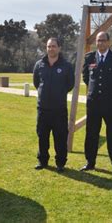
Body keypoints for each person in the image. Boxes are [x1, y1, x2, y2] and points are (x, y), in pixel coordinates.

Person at [80, 31, 112, 174]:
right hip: (93, 103)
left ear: (108, 42)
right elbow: (86, 77)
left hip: (110, 103)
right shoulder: (89, 58)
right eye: (98, 40)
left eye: (103, 40)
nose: (100, 43)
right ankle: (90, 162)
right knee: (91, 133)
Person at [33, 38, 74, 172]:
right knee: (42, 136)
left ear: (59, 48)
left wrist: (59, 93)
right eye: (49, 46)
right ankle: (42, 161)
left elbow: (70, 84)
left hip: (59, 109)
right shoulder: (39, 64)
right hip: (43, 109)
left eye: (54, 46)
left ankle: (60, 163)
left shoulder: (66, 65)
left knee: (60, 137)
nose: (51, 49)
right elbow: (36, 83)